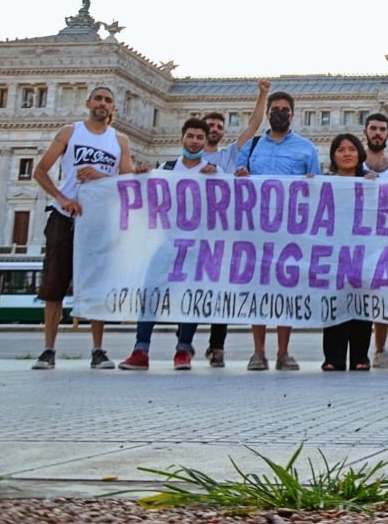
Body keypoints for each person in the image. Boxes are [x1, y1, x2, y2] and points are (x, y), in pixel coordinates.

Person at [30, 85, 135, 370]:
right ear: (88, 102)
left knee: (97, 283)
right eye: (98, 99)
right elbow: (40, 171)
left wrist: (101, 175)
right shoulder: (70, 132)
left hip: (100, 220)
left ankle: (98, 350)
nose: (102, 104)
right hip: (64, 217)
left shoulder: (120, 141)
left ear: (114, 108)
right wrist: (63, 198)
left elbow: (127, 183)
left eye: (108, 100)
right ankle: (48, 349)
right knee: (54, 284)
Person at [234, 90, 321, 371]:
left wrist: (312, 183)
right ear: (268, 113)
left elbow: (319, 191)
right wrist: (240, 176)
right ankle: (258, 352)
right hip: (256, 227)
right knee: (258, 288)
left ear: (293, 114)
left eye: (285, 109)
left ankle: (284, 352)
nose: (279, 113)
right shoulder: (252, 145)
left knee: (287, 289)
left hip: (291, 229)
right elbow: (235, 179)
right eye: (274, 109)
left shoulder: (307, 149)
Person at [119, 118, 215, 371]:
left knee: (189, 298)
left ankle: (183, 350)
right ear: (181, 138)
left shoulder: (212, 172)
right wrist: (139, 178)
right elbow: (147, 200)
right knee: (151, 292)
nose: (195, 141)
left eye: (199, 138)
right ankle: (141, 349)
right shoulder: (166, 168)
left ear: (206, 142)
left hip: (196, 246)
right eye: (191, 136)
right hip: (164, 243)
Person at [199, 78, 269, 368]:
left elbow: (253, 127)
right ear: (197, 133)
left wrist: (262, 94)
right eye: (209, 127)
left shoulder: (230, 155)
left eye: (218, 126)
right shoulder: (181, 162)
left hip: (226, 232)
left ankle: (216, 347)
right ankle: (183, 343)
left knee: (221, 289)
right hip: (193, 233)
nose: (214, 130)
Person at [321, 134, 374, 371]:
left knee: (361, 304)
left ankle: (361, 356)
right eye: (341, 149)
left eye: (352, 149)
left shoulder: (373, 182)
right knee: (335, 304)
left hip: (364, 252)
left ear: (360, 154)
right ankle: (333, 357)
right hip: (332, 252)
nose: (346, 153)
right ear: (333, 156)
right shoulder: (323, 183)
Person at [360, 113, 388, 369]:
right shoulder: (353, 160)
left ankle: (378, 350)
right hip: (357, 238)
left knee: (382, 296)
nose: (377, 133)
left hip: (386, 240)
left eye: (382, 129)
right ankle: (356, 352)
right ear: (365, 132)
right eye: (373, 129)